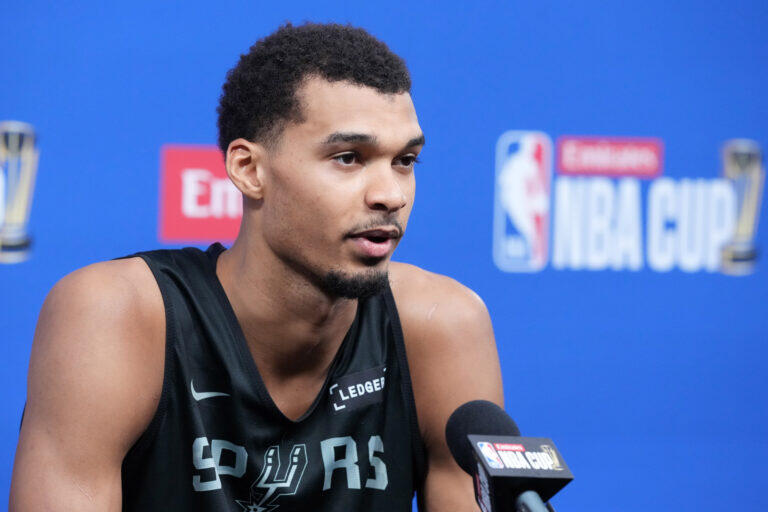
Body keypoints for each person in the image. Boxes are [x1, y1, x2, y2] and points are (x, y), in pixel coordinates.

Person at [10, 22, 503, 511]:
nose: (391, 195)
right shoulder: (117, 317)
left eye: (405, 161)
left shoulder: (440, 326)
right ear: (248, 170)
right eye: (349, 158)